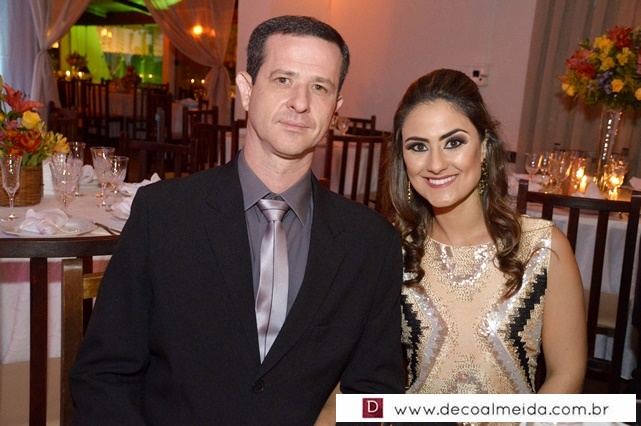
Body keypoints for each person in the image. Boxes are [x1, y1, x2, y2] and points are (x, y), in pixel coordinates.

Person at [71, 15, 405, 425]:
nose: (300, 102)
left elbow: (376, 395)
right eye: (283, 79)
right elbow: (104, 375)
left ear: (335, 108)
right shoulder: (164, 214)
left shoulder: (370, 243)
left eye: (319, 87)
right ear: (247, 90)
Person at [382, 69, 586, 394]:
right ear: (402, 158)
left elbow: (567, 373)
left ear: (485, 146)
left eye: (454, 142)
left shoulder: (542, 248)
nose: (435, 164)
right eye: (418, 147)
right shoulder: (391, 249)